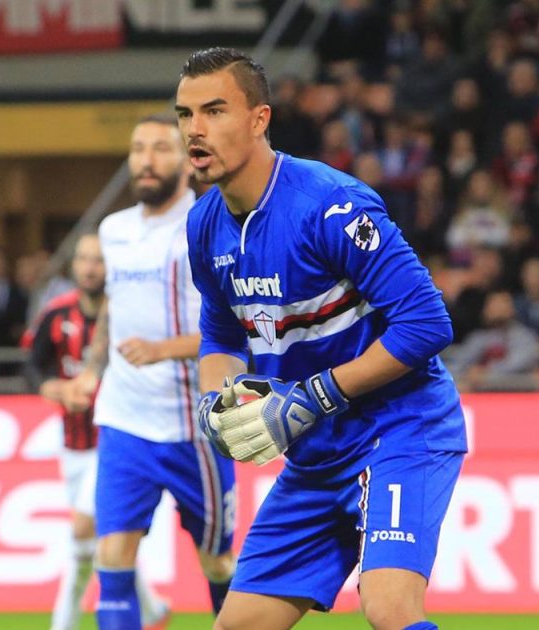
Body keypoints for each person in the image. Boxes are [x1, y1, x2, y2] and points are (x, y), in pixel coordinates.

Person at [176, 47, 466, 630]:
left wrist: (314, 395)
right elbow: (221, 333)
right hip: (315, 453)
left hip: (398, 430)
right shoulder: (204, 225)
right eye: (185, 114)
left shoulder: (330, 205)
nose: (195, 129)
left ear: (259, 119)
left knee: (388, 607)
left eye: (214, 110)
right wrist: (213, 402)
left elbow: (427, 322)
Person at [61, 113, 236, 630]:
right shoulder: (113, 231)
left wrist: (163, 350)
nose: (146, 160)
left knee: (217, 563)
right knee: (112, 557)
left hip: (193, 429)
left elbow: (238, 328)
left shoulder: (207, 227)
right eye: (138, 149)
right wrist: (92, 371)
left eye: (160, 148)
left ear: (186, 160)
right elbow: (113, 310)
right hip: (125, 422)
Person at [24, 233, 169, 630]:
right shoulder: (56, 315)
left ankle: (63, 625)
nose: (90, 268)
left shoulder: (128, 317)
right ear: (73, 265)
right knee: (98, 542)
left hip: (116, 441)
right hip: (72, 446)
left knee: (81, 533)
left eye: (98, 260)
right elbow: (32, 364)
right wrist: (53, 388)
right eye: (84, 259)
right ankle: (153, 608)